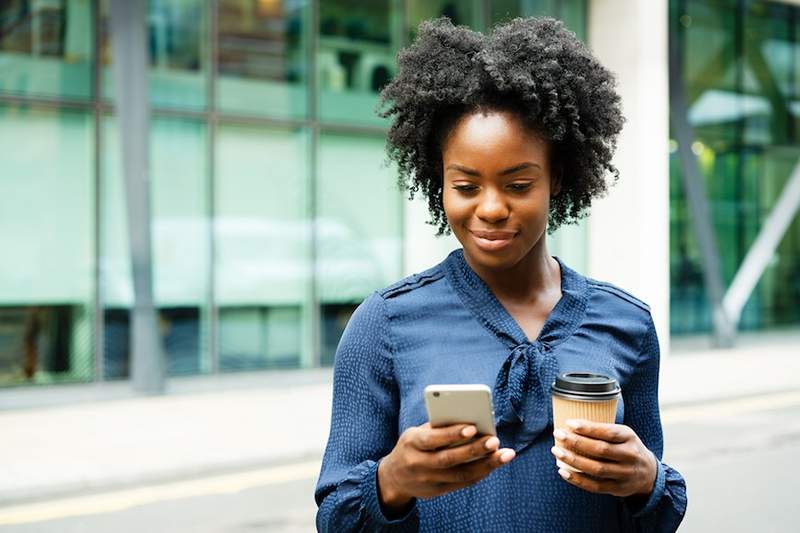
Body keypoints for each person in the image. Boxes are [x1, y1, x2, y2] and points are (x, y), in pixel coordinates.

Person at [314, 17, 687, 532]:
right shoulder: (385, 324)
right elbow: (336, 517)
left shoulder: (628, 323)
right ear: (437, 182)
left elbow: (655, 516)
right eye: (466, 186)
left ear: (556, 178)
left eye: (517, 184)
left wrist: (647, 480)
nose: (490, 208)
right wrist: (392, 481)